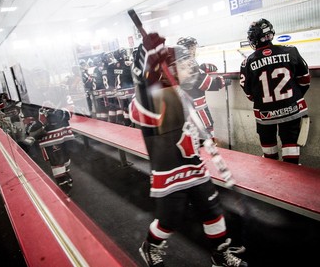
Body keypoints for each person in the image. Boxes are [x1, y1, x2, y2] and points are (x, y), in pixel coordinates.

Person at [129, 33, 247, 267]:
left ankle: (219, 255)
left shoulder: (182, 93)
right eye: (184, 66)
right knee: (168, 220)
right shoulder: (155, 98)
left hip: (194, 166)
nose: (191, 70)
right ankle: (150, 247)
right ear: (168, 71)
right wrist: (150, 60)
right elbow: (140, 102)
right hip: (169, 173)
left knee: (213, 211)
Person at [240, 18, 311, 164]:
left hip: (265, 115)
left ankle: (272, 178)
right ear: (271, 34)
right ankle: (292, 175)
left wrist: (266, 102)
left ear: (254, 38)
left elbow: (249, 93)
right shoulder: (291, 50)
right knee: (291, 148)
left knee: (269, 153)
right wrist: (292, 98)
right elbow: (305, 80)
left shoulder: (248, 62)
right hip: (292, 110)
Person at [177, 36, 230, 141]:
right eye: (191, 48)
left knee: (191, 132)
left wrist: (202, 67)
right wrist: (221, 81)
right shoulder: (190, 64)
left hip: (186, 105)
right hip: (197, 106)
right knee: (207, 128)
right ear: (185, 49)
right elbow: (205, 83)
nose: (193, 50)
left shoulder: (178, 63)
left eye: (193, 47)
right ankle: (209, 151)